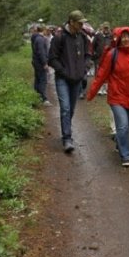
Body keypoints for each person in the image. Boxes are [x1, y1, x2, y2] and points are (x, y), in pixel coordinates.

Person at [87, 27, 129, 167]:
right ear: (119, 39)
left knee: (128, 126)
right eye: (123, 37)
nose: (126, 39)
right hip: (116, 96)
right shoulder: (112, 54)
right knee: (122, 126)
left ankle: (119, 141)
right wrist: (92, 93)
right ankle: (126, 155)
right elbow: (101, 75)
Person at [48, 10, 91, 153]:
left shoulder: (83, 37)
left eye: (82, 22)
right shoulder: (59, 38)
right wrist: (64, 71)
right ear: (71, 22)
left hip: (77, 79)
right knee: (65, 108)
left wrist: (84, 69)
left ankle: (66, 129)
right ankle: (67, 138)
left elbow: (87, 55)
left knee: (71, 109)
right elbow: (52, 59)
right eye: (80, 23)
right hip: (62, 79)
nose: (82, 25)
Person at [31, 24, 51, 106]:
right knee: (43, 80)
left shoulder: (35, 38)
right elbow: (41, 52)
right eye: (47, 30)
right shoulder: (40, 39)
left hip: (36, 62)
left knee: (38, 79)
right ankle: (43, 99)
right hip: (40, 63)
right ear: (44, 30)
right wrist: (45, 63)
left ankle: (36, 96)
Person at [92, 21, 113, 95]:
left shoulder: (111, 36)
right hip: (98, 58)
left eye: (107, 28)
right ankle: (99, 88)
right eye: (105, 28)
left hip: (108, 58)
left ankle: (105, 89)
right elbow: (93, 45)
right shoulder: (98, 35)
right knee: (98, 73)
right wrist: (94, 54)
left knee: (107, 74)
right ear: (103, 28)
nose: (106, 29)